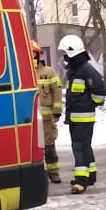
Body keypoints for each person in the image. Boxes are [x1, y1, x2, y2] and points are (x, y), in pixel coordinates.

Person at [58, 34, 106, 195]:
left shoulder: (85, 70)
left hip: (83, 117)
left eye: (65, 54)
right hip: (76, 117)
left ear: (72, 53)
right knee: (84, 146)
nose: (64, 57)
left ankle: (81, 181)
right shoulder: (77, 70)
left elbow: (100, 91)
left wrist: (91, 103)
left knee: (79, 147)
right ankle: (90, 175)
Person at [32, 41, 63, 183]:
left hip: (46, 121)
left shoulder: (48, 72)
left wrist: (57, 112)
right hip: (29, 121)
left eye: (33, 54)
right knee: (32, 150)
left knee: (49, 147)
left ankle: (53, 172)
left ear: (38, 55)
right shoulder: (22, 72)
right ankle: (37, 175)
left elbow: (57, 91)